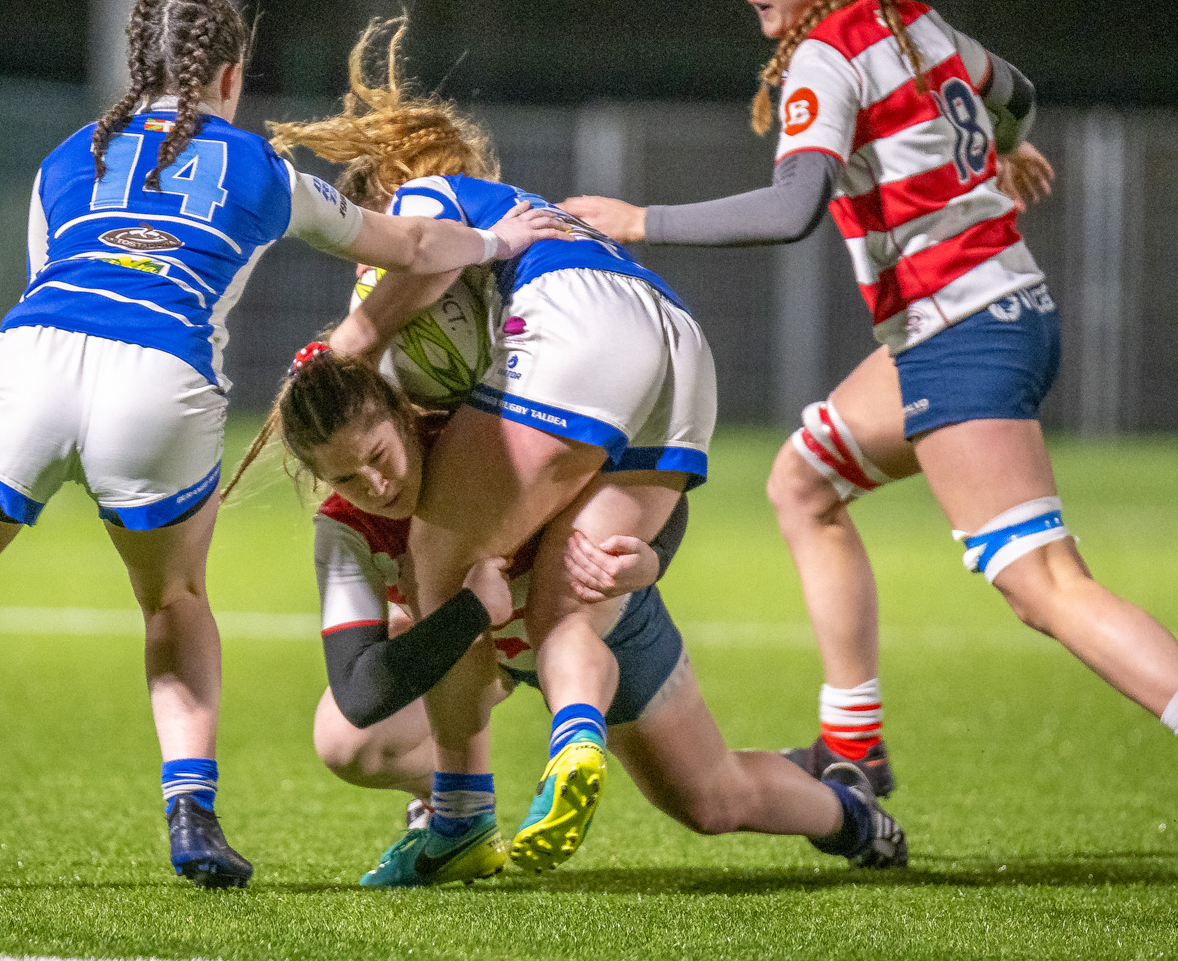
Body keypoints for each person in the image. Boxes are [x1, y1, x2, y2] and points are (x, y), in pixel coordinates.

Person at [0, 0, 568, 892]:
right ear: (230, 74)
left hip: (32, 362)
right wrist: (492, 240)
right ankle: (193, 818)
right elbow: (414, 248)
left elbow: (57, 281)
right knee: (174, 603)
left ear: (134, 71)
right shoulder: (260, 166)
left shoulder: (67, 156)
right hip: (158, 376)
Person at [561, 0, 1178, 865]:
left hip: (964, 335)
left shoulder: (826, 57)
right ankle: (853, 748)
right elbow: (1016, 91)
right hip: (990, 316)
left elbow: (790, 208)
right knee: (805, 479)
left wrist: (639, 219)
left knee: (1040, 581)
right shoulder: (912, 23)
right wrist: (1007, 144)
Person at [265, 17, 716, 877]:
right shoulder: (491, 275)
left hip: (584, 324)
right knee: (575, 601)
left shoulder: (427, 207)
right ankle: (573, 738)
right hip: (677, 345)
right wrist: (647, 559)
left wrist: (346, 346)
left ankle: (462, 814)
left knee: (439, 543)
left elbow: (422, 260)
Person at [222, 343, 904, 886]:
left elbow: (645, 485)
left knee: (712, 802)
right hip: (485, 645)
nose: (375, 486)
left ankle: (849, 811)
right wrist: (468, 612)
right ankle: (460, 800)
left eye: (378, 456)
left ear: (404, 418)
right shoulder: (344, 531)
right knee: (345, 739)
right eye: (344, 478)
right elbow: (361, 691)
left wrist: (651, 560)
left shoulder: (483, 443)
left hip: (596, 622)